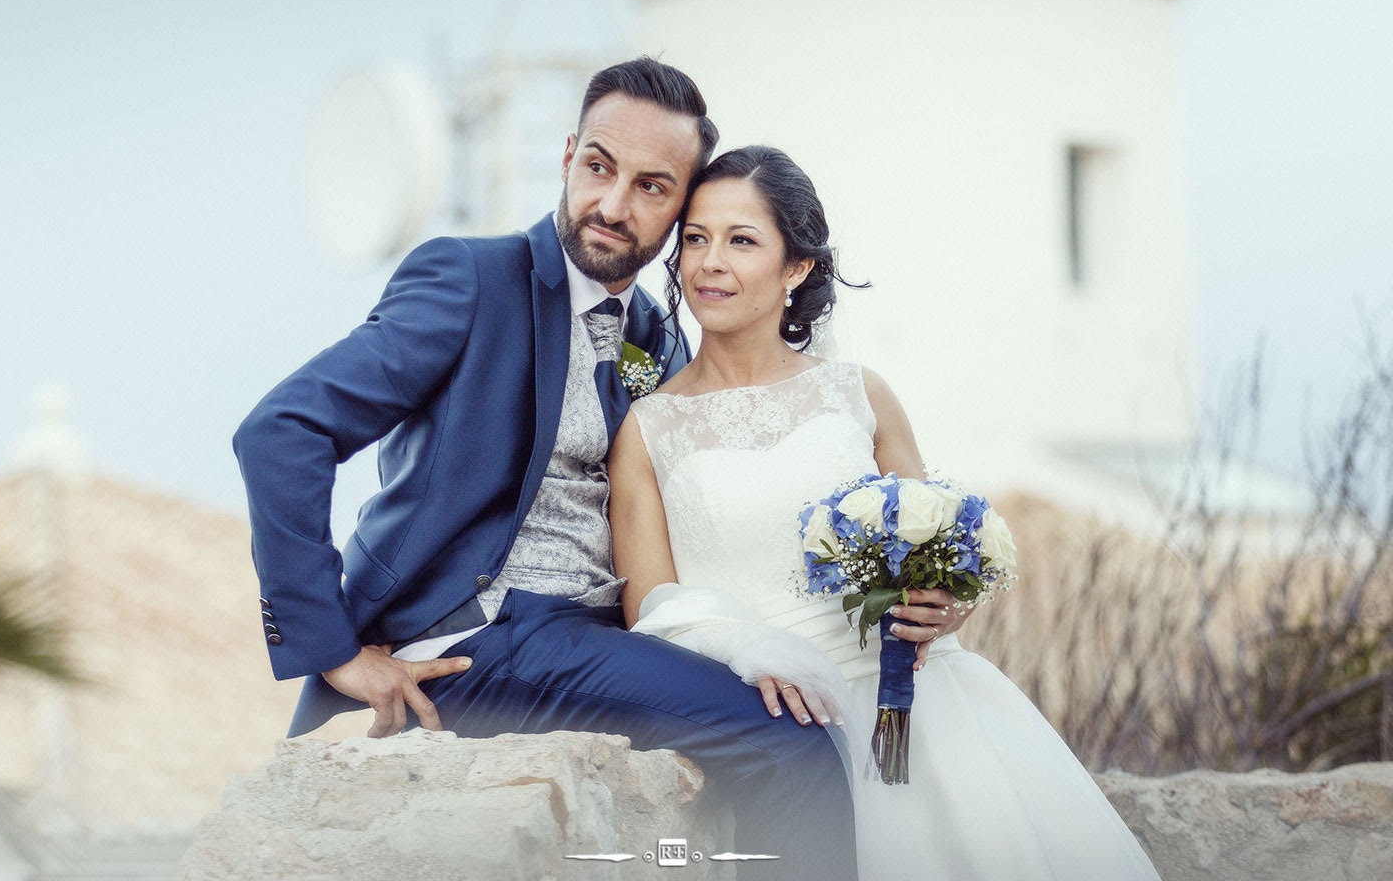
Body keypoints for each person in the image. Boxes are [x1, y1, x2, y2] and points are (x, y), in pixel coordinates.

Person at [232, 60, 857, 874]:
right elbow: (281, 431)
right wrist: (334, 648)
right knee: (792, 747)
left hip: (603, 635)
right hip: (489, 633)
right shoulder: (470, 279)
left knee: (789, 715)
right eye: (599, 167)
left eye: (652, 187)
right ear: (567, 156)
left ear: (680, 207)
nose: (612, 204)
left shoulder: (653, 337)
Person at [609, 145, 1163, 880]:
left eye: (742, 241)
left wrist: (947, 608)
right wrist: (742, 648)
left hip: (929, 716)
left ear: (797, 267)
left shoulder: (860, 395)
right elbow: (648, 609)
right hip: (786, 736)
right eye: (696, 239)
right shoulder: (649, 429)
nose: (710, 261)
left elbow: (942, 545)